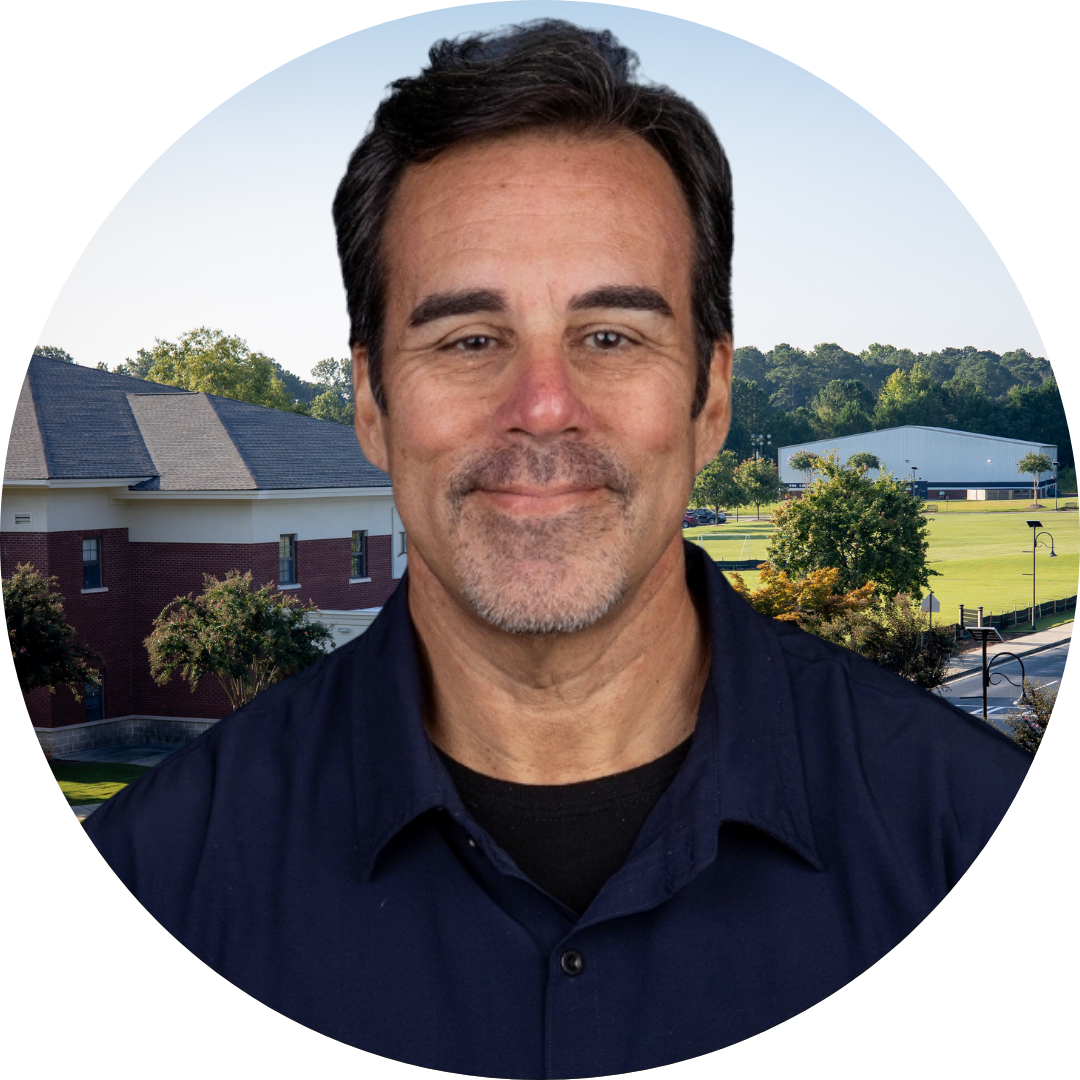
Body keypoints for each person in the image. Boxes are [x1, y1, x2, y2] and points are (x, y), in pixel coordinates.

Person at [84, 20, 1031, 1073]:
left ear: (712, 397)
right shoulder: (158, 875)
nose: (542, 406)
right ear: (371, 403)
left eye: (611, 336)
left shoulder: (963, 829)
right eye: (469, 339)